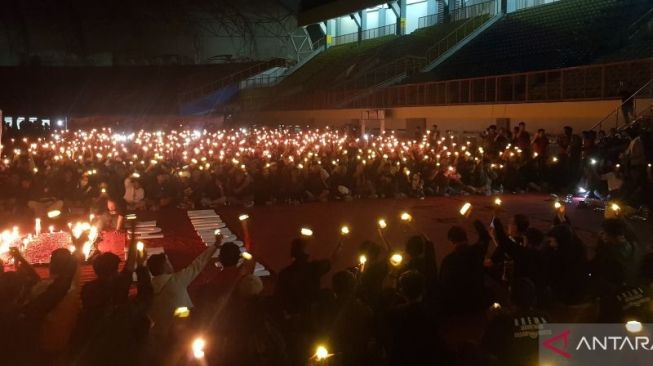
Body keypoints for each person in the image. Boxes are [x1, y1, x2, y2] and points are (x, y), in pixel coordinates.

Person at [146, 235, 219, 339]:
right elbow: (197, 265)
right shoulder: (176, 280)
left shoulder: (147, 288)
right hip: (184, 331)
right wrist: (215, 246)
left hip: (160, 334)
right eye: (168, 262)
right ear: (165, 267)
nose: (171, 264)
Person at [439, 220, 491, 314]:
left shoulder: (448, 260)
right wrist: (474, 220)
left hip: (458, 305)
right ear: (466, 237)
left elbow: (443, 283)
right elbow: (485, 237)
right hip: (478, 300)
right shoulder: (476, 251)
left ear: (451, 241)